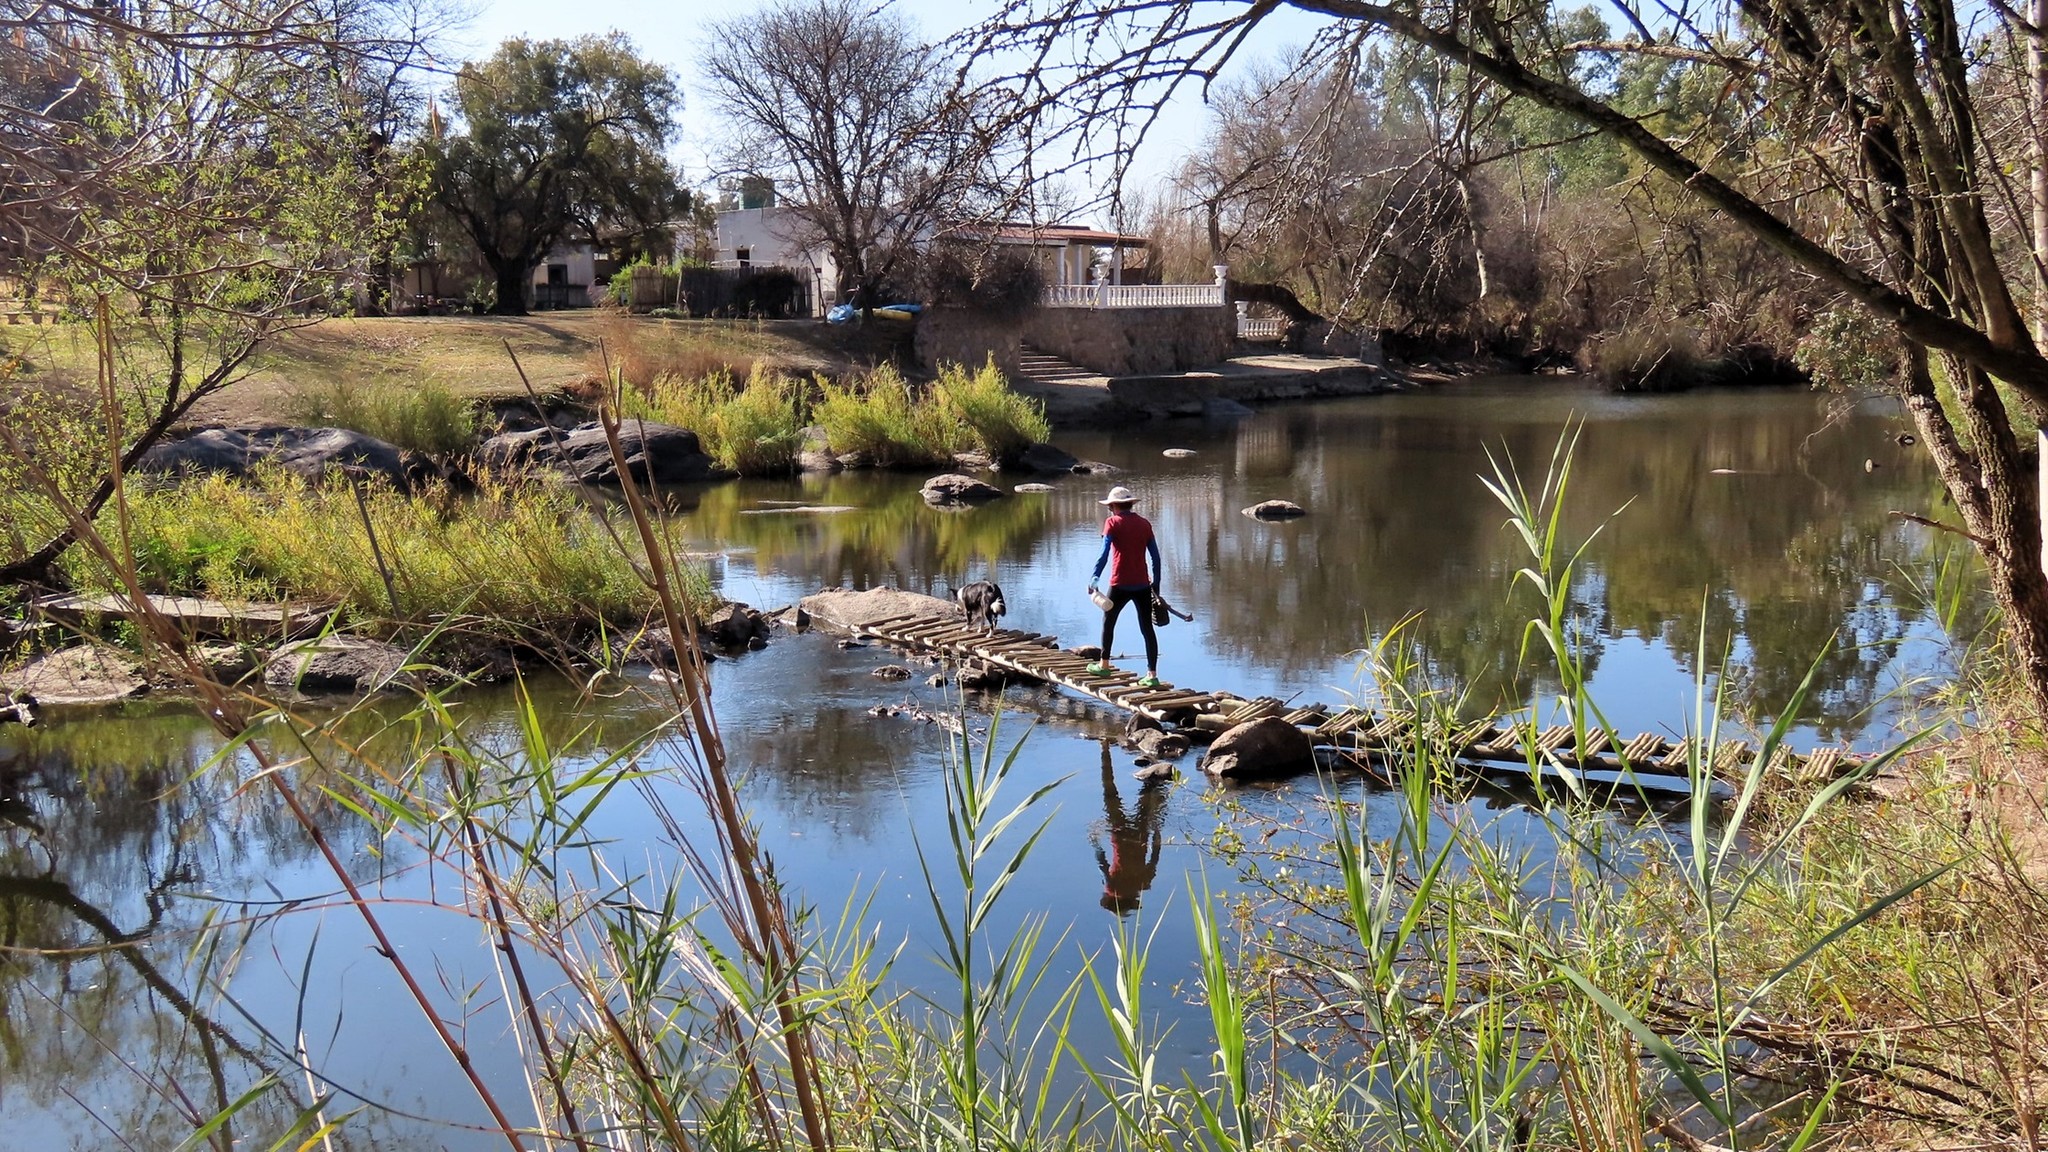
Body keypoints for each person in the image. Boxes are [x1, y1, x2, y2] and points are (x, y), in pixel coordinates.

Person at [1087, 485, 1163, 687]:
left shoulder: (1112, 523)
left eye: (1110, 506)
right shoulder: (1145, 524)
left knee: (1108, 622)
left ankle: (1104, 665)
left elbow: (1103, 554)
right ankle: (1152, 675)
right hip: (1142, 585)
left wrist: (1094, 578)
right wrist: (1156, 584)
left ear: (1113, 506)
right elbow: (1156, 557)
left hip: (1119, 583)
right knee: (1147, 628)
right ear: (1130, 504)